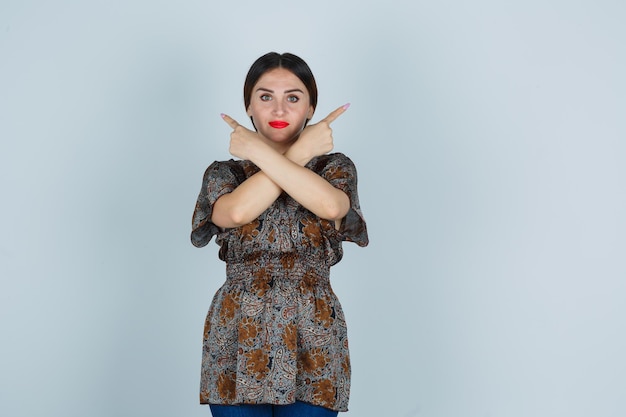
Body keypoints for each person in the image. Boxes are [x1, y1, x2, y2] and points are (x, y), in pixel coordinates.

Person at [191, 52, 368, 417]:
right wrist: (289, 153)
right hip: (240, 329)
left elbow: (333, 208)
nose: (279, 109)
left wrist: (286, 152)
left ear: (311, 108)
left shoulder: (334, 167)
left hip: (313, 331)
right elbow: (235, 212)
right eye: (265, 96)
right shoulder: (224, 174)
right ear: (249, 107)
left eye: (293, 97)